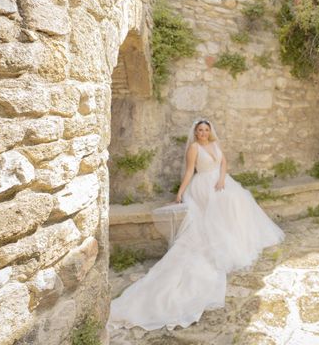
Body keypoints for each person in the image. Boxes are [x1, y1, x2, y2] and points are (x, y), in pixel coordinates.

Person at [108, 119, 285, 331]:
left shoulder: (214, 144)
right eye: (200, 130)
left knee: (238, 198)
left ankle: (236, 236)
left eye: (206, 130)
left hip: (220, 180)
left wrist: (222, 179)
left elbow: (224, 163)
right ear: (195, 132)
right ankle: (220, 237)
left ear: (210, 131)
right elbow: (190, 171)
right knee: (221, 201)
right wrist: (180, 192)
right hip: (202, 185)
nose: (203, 133)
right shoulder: (193, 148)